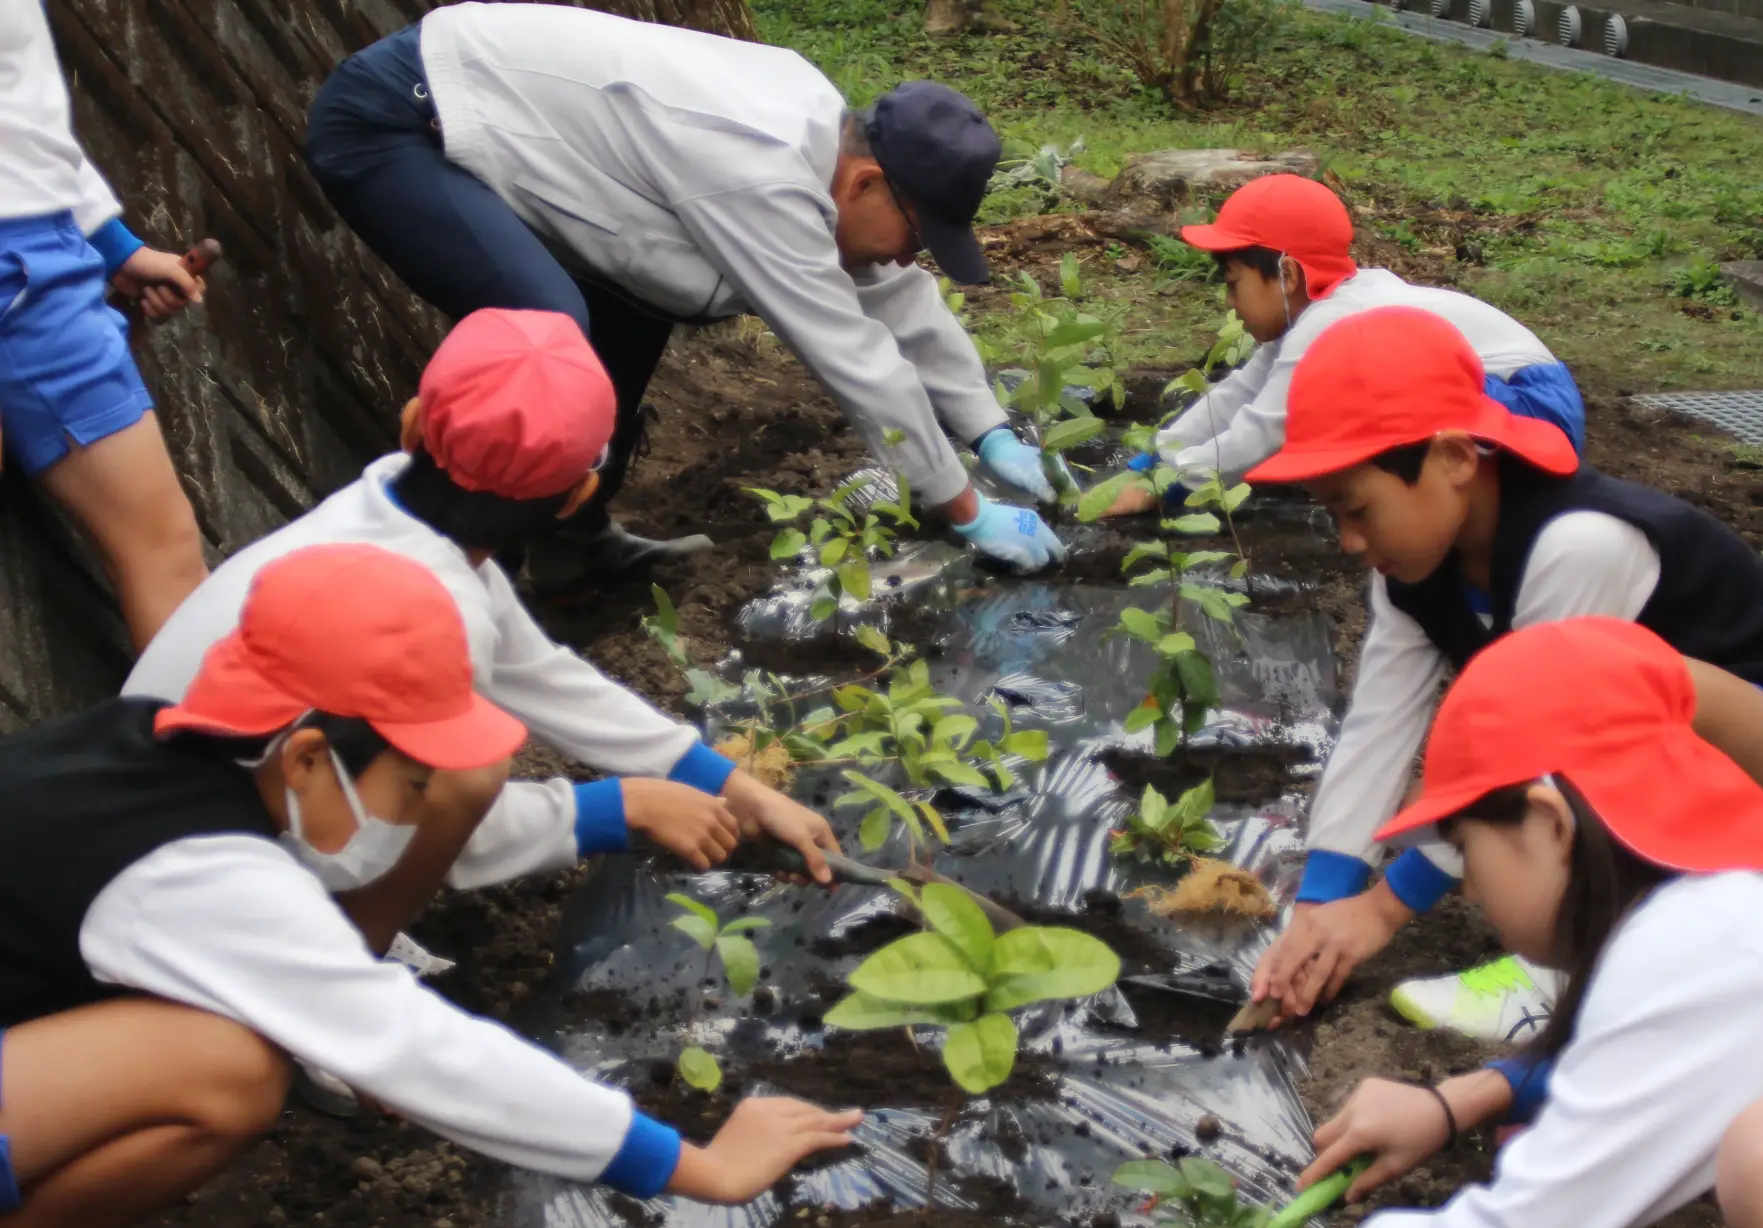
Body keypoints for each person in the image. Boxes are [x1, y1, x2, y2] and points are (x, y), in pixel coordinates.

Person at [0, 543, 860, 1228]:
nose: (417, 810)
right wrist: (700, 1167)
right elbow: (419, 1049)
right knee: (230, 1074)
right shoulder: (200, 875)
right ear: (305, 758)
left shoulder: (147, 747)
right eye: (414, 784)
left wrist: (616, 808)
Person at [1169, 617, 1763, 1228]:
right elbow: (1657, 1067)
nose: (1474, 885)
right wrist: (1459, 1099)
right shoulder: (1724, 926)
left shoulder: (1698, 950)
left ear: (1546, 820)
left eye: (1466, 851)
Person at [125, 308, 837, 1008]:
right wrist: (618, 808)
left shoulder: (388, 521)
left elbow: (548, 679)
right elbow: (410, 824)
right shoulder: (428, 612)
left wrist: (741, 791)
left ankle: (324, 926)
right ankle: (315, 987)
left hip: (154, 797)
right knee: (460, 781)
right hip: (192, 882)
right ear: (578, 497)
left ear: (413, 426)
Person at [1247, 306, 1763, 1041]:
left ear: (1454, 458)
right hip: (1666, 773)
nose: (1350, 540)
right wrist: (1325, 898)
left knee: (1577, 698)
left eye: (1358, 508)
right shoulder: (1408, 572)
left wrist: (1384, 909)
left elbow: (1532, 743)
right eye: (1332, 516)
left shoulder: (1581, 543)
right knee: (1453, 785)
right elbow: (1380, 724)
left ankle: (1573, 973)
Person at [302, 2, 1064, 590]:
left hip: (489, 124)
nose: (908, 255)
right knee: (548, 337)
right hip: (400, 124)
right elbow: (854, 356)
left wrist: (988, 427)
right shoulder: (759, 169)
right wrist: (964, 508)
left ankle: (571, 548)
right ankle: (422, 571)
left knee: (640, 299)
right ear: (865, 183)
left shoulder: (828, 146)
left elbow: (896, 296)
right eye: (914, 233)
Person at [1098, 174, 1582, 518]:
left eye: (1234, 283)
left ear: (1285, 275)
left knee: (1337, 413)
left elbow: (1263, 429)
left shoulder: (1332, 321)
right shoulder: (1323, 308)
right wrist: (1152, 459)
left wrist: (1165, 489)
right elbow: (1238, 394)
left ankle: (1420, 512)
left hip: (1526, 405)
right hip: (1511, 395)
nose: (1231, 303)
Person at [0, 2, 211, 650]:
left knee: (167, 549)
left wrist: (111, 243)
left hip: (47, 252)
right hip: (36, 261)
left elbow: (21, 96)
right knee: (164, 552)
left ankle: (215, 750)